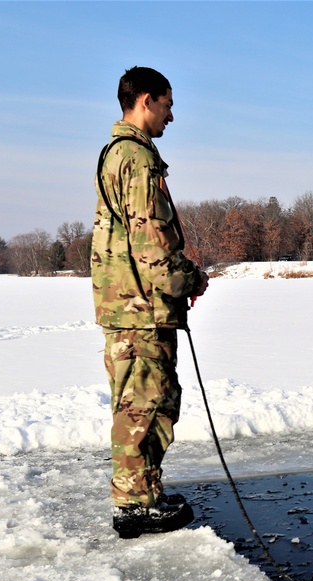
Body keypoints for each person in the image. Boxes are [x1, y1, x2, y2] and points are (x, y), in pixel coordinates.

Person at [92, 66, 209, 537]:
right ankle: (135, 504)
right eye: (167, 103)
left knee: (138, 402)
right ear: (145, 100)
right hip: (139, 309)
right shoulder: (137, 160)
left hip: (130, 304)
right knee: (146, 403)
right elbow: (153, 247)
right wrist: (190, 280)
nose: (171, 115)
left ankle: (140, 496)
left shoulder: (117, 153)